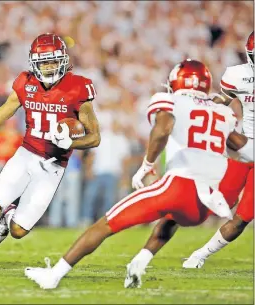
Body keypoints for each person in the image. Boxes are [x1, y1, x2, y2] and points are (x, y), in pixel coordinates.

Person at [23, 59, 253, 289]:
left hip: (179, 186)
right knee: (170, 220)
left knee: (105, 224)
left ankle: (53, 276)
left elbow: (163, 129)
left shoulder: (171, 100)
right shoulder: (223, 112)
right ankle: (140, 261)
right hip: (205, 205)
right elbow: (246, 150)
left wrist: (147, 164)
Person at [0, 33, 101, 271]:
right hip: (26, 154)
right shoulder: (25, 82)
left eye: (53, 61)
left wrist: (70, 143)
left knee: (19, 231)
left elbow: (94, 137)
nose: (49, 67)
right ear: (34, 63)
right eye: (44, 62)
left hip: (53, 167)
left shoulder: (78, 87)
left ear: (63, 61)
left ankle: (10, 215)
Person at [182, 32, 254, 269]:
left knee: (243, 217)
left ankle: (200, 255)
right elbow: (224, 99)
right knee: (212, 202)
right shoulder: (237, 75)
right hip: (243, 149)